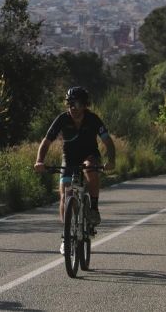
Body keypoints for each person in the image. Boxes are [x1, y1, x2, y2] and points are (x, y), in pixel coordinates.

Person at [34, 86, 116, 254]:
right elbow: (46, 141)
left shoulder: (93, 119)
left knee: (89, 169)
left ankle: (93, 207)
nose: (74, 108)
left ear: (85, 105)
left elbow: (107, 141)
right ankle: (66, 237)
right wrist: (39, 161)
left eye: (77, 104)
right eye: (70, 104)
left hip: (90, 155)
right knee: (65, 194)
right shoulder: (62, 119)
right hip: (69, 158)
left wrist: (111, 161)